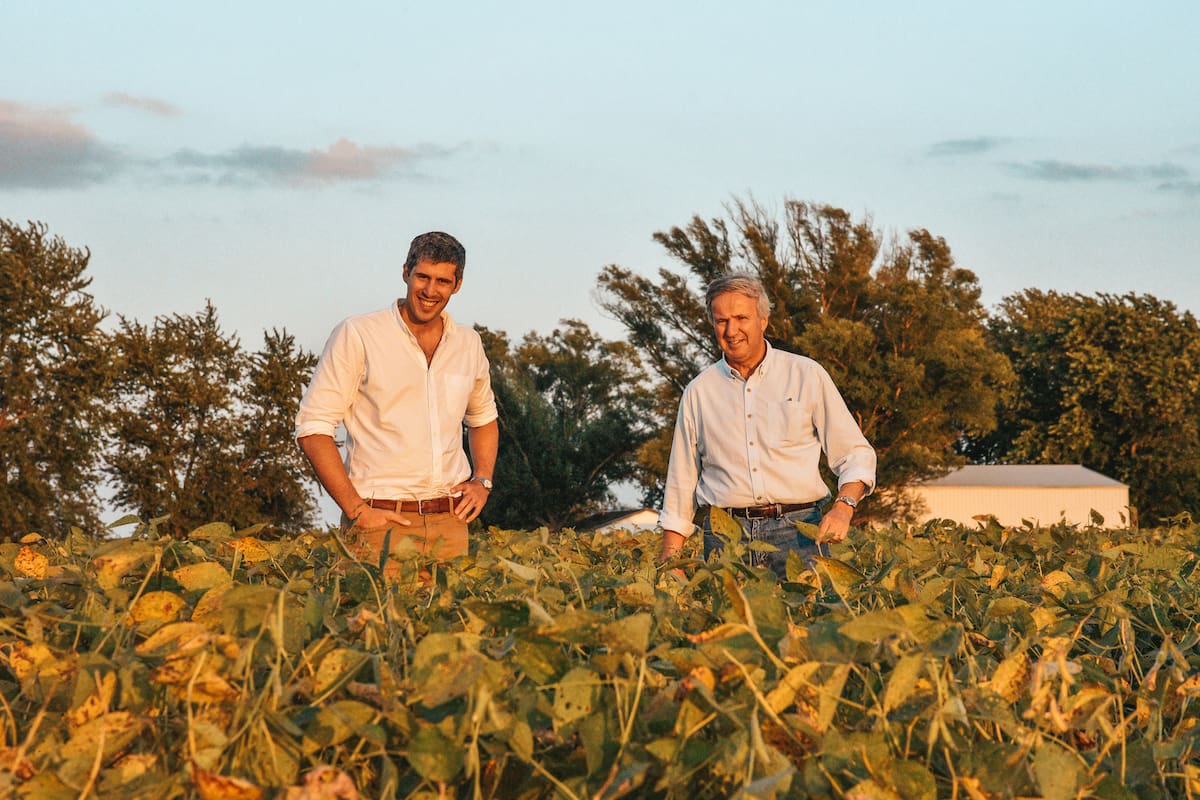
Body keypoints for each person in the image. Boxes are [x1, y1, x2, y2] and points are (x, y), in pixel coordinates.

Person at [295, 231, 498, 572]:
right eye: (423, 277)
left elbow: (483, 420)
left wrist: (483, 481)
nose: (430, 291)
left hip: (450, 523)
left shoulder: (468, 343)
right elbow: (312, 427)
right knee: (374, 623)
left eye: (443, 281)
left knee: (450, 624)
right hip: (380, 524)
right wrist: (357, 511)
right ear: (406, 272)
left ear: (457, 285)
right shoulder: (358, 334)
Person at [658, 273, 876, 579]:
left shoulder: (805, 375)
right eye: (721, 321)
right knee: (731, 625)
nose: (731, 330)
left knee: (811, 622)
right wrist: (672, 560)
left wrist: (844, 506)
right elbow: (681, 480)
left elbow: (854, 453)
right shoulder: (699, 391)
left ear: (763, 320)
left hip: (798, 532)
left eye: (741, 318)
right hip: (724, 537)